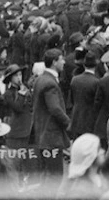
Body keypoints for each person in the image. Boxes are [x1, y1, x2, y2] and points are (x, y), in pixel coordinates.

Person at [31, 48, 70, 192]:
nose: (64, 62)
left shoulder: (40, 79)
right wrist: (69, 124)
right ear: (54, 62)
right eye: (61, 59)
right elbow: (55, 109)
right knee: (55, 176)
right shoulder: (50, 83)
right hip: (51, 137)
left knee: (47, 175)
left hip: (42, 135)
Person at [57, 133, 106, 199]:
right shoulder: (81, 192)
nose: (102, 151)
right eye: (99, 149)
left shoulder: (98, 179)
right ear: (90, 156)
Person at [68, 51, 100, 139]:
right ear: (95, 66)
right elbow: (97, 103)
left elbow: (72, 100)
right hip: (90, 120)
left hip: (76, 117)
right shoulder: (96, 82)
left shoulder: (75, 79)